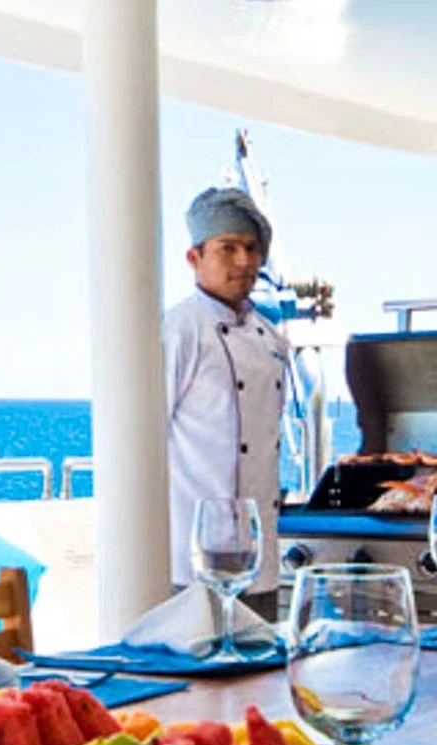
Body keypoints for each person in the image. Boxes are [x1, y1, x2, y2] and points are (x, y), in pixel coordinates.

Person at [163, 187, 290, 618]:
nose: (243, 261)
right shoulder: (178, 330)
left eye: (252, 249)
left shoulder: (271, 337)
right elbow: (143, 438)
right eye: (227, 248)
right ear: (194, 258)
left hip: (260, 551)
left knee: (256, 677)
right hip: (194, 553)